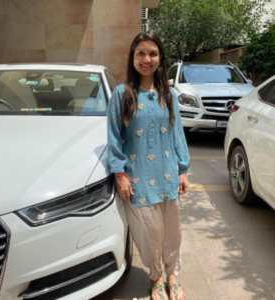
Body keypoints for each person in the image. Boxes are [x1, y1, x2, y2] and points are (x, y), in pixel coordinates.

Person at [107, 31, 190, 300]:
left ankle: (173, 274)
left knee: (172, 231)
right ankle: (156, 277)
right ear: (132, 57)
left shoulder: (169, 94)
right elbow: (114, 138)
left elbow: (177, 134)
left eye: (153, 53)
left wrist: (183, 169)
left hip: (168, 175)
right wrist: (120, 174)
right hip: (138, 177)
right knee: (149, 233)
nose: (147, 59)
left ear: (160, 58)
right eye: (141, 53)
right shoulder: (122, 94)